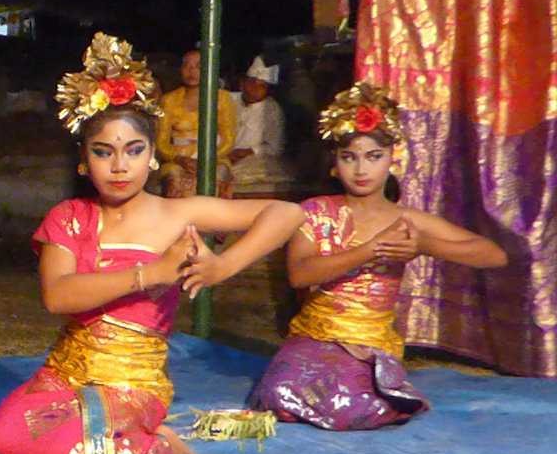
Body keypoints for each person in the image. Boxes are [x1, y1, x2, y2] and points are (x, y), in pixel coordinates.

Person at [0, 33, 303, 454]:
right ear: (84, 161)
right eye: (103, 152)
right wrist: (153, 272)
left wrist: (223, 266)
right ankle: (133, 440)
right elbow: (58, 296)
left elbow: (288, 213)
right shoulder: (69, 218)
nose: (119, 167)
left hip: (131, 383)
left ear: (152, 158)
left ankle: (165, 446)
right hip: (64, 375)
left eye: (133, 151)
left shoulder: (177, 213)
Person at [250, 84, 507, 430]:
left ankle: (379, 390)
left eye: (374, 156)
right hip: (315, 337)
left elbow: (493, 255)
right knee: (277, 394)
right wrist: (369, 250)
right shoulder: (315, 212)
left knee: (352, 405)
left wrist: (424, 246)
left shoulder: (406, 221)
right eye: (349, 157)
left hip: (370, 344)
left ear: (392, 159)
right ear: (333, 164)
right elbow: (300, 274)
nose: (361, 169)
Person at [157, 49, 239, 198]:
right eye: (187, 66)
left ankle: (212, 221)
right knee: (174, 180)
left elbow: (228, 140)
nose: (191, 71)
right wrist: (179, 159)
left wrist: (205, 159)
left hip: (214, 158)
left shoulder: (222, 98)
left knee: (214, 179)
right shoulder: (168, 100)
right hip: (178, 159)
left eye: (199, 66)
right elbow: (161, 143)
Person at [229, 56, 291, 191]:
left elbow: (275, 147)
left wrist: (248, 152)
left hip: (253, 162)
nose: (256, 89)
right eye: (252, 83)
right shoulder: (228, 100)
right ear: (242, 84)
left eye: (262, 86)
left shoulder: (272, 109)